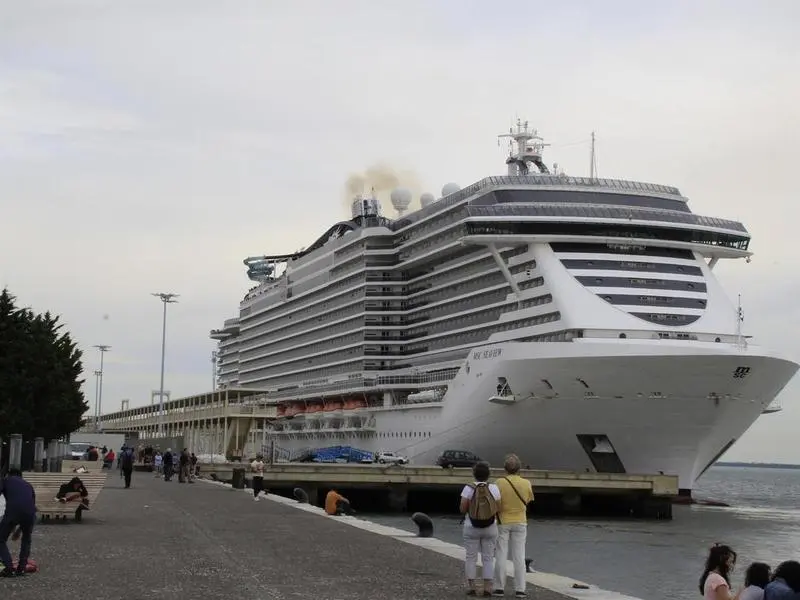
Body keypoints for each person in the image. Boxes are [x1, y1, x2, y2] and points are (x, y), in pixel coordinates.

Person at [493, 454, 534, 598]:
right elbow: (528, 500)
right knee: (519, 556)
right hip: (520, 521)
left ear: (505, 468)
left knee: (501, 554)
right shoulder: (526, 483)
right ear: (519, 468)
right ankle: (520, 589)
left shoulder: (498, 483)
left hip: (503, 521)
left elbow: (495, 502)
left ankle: (499, 587)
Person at [460, 461, 500, 597]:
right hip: (490, 526)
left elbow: (462, 508)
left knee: (471, 557)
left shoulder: (468, 488)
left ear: (474, 474)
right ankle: (487, 587)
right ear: (488, 474)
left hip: (471, 526)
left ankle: (472, 587)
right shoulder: (494, 488)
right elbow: (498, 507)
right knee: (488, 558)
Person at [0, 469, 36, 578]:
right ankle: (21, 569)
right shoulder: (28, 485)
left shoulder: (6, 480)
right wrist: (19, 530)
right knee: (26, 539)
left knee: (0, 539)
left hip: (13, 512)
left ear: (8, 475)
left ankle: (9, 568)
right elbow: (31, 505)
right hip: (30, 513)